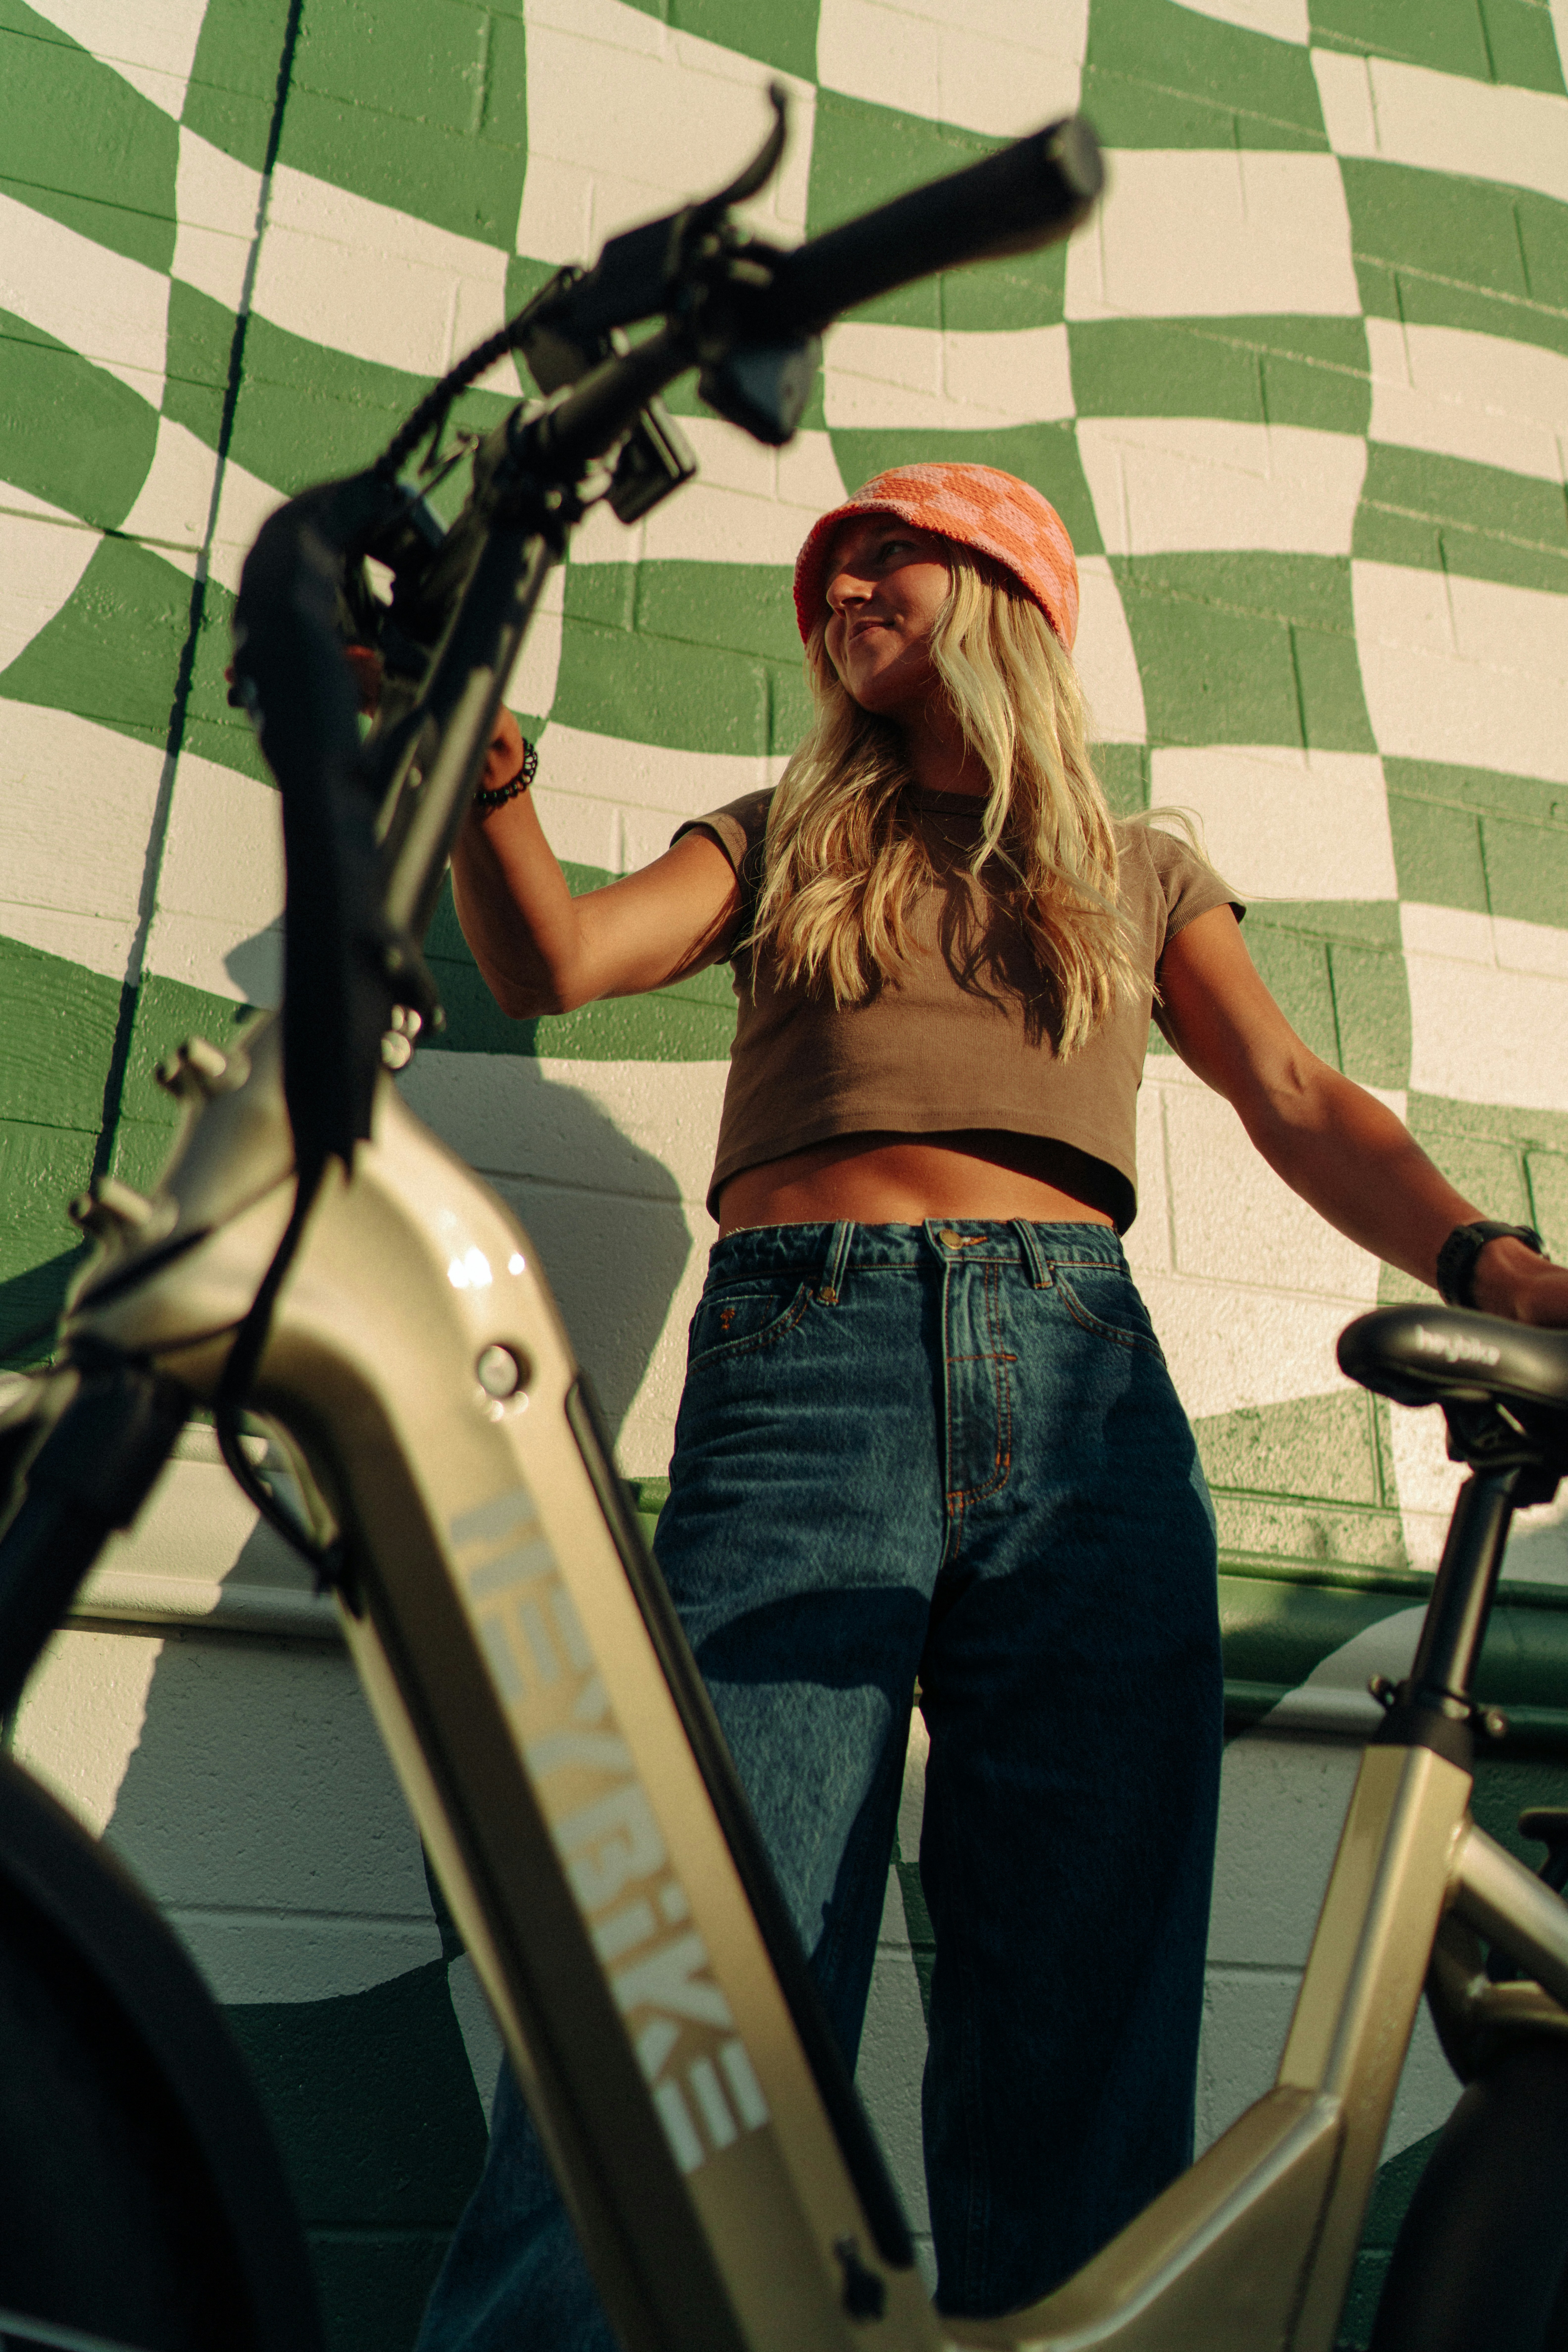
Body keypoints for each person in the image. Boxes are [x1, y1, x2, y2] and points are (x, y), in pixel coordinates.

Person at [416, 462, 1568, 2348]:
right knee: (691, 1985)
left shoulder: (1134, 865)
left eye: (893, 550)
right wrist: (483, 765)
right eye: (831, 566)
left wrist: (1492, 1263)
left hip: (1085, 1399)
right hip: (811, 1376)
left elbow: (1291, 1091)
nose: (847, 581)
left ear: (1009, 597)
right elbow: (554, 959)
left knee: (1080, 2024)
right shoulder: (789, 829)